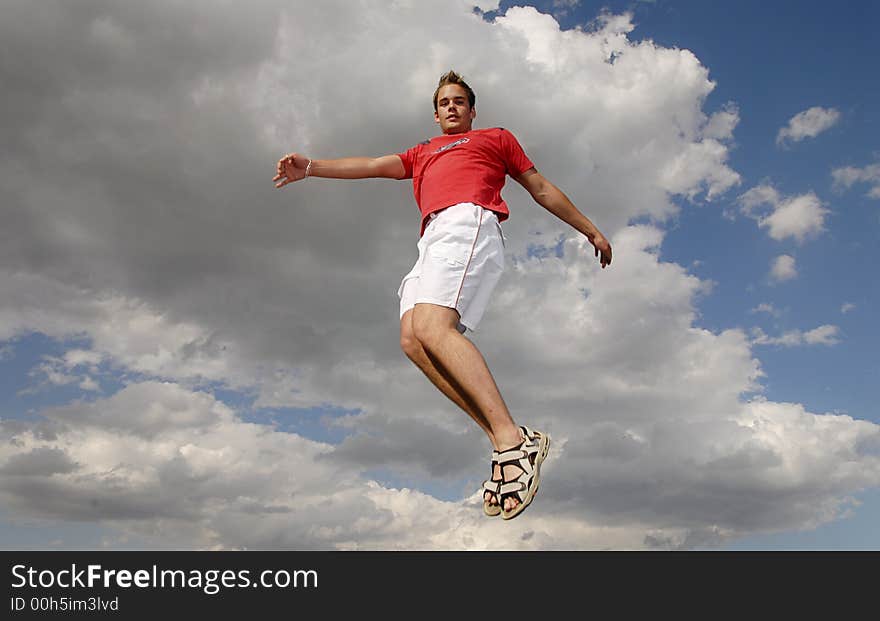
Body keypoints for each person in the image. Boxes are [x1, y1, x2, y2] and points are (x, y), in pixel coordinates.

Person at [274, 71, 612, 520]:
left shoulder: (495, 138)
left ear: (472, 111)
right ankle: (503, 440)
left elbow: (542, 188)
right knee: (413, 338)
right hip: (432, 236)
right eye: (444, 103)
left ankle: (513, 440)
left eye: (459, 101)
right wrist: (312, 167)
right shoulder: (422, 152)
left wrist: (590, 230)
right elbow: (373, 165)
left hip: (469, 223)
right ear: (435, 115)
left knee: (435, 326)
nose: (451, 107)